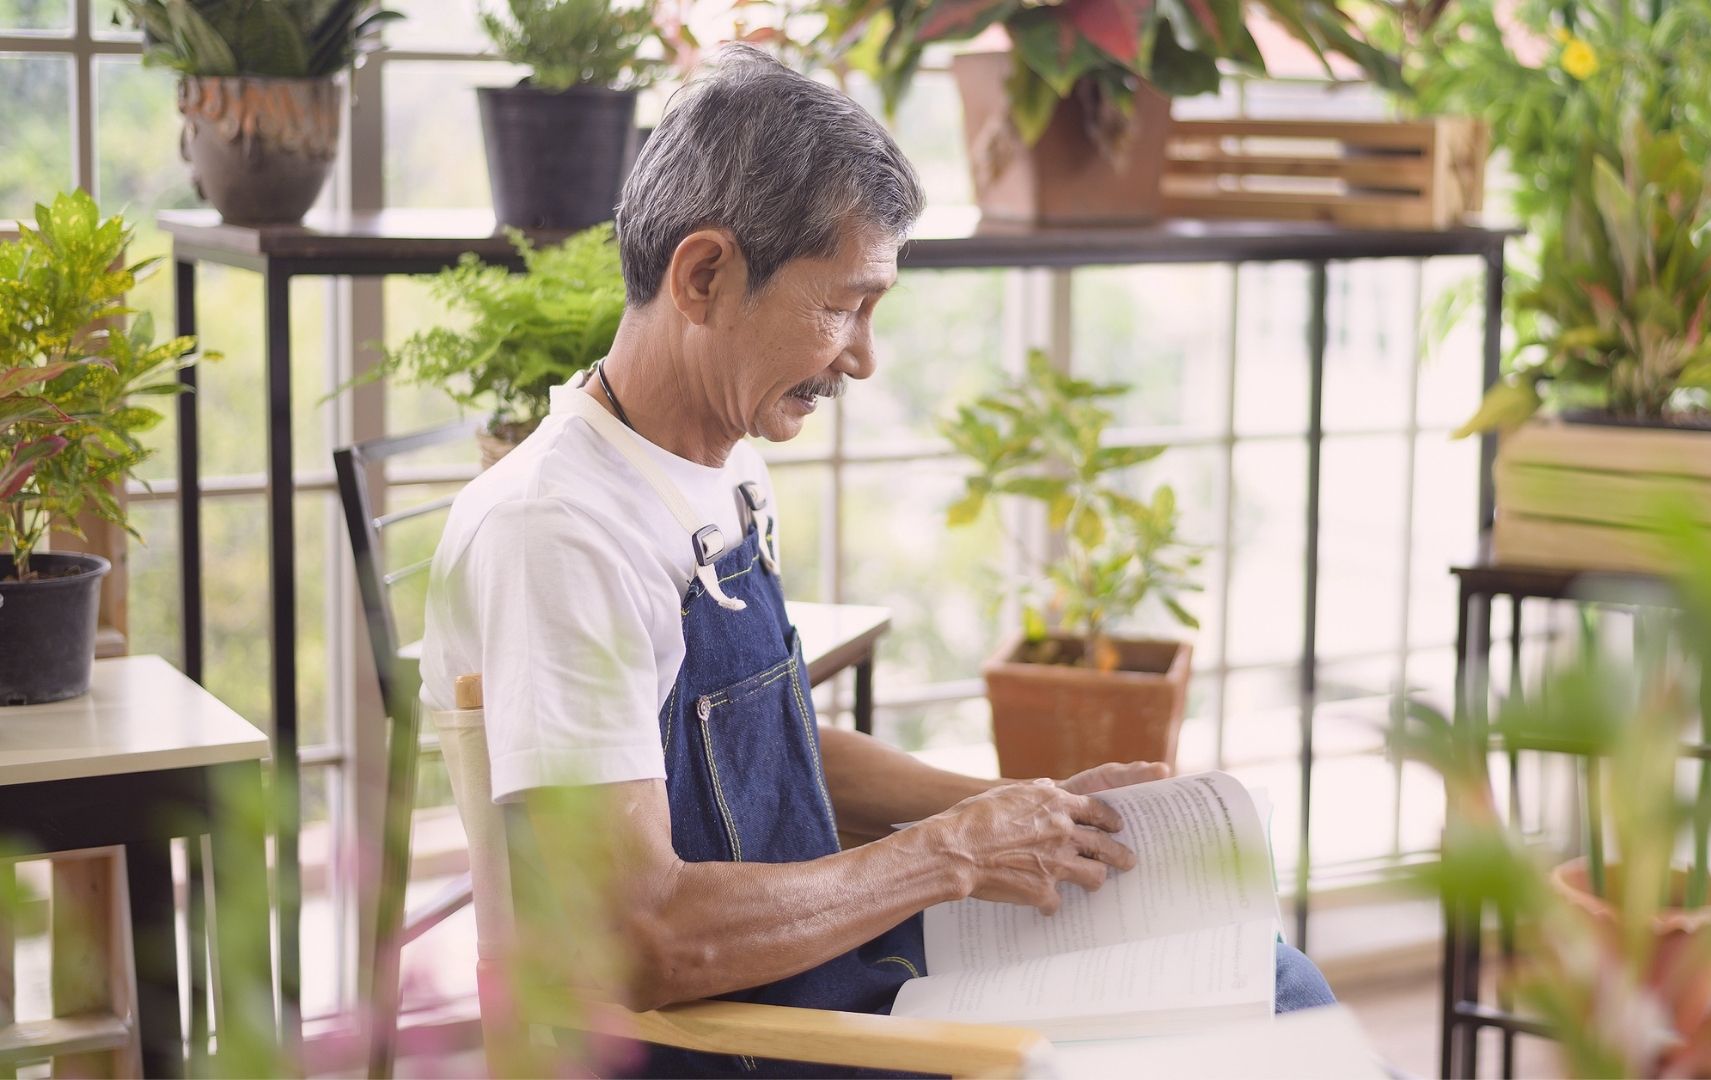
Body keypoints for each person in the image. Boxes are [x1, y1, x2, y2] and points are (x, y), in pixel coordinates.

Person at [420, 44, 1333, 1077]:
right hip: (743, 1041)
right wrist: (949, 855)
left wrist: (1028, 808)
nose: (862, 355)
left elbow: (765, 754)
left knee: (1252, 972)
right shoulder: (559, 532)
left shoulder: (710, 464)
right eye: (843, 305)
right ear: (705, 275)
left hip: (832, 970)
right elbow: (641, 938)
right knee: (1258, 1009)